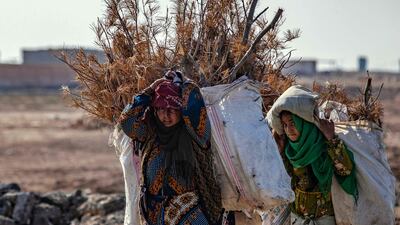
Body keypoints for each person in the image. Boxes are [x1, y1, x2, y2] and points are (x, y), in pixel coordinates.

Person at [118, 70, 223, 225]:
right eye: (160, 109)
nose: (165, 116)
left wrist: (184, 82)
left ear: (181, 111)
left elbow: (195, 103)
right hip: (155, 215)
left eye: (172, 110)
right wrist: (150, 90)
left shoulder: (196, 134)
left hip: (190, 215)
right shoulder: (149, 133)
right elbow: (126, 121)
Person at [272, 110, 358, 225]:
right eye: (285, 125)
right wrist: (280, 152)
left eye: (293, 123)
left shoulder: (323, 146)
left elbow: (345, 170)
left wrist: (331, 138)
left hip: (324, 220)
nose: (288, 129)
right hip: (297, 219)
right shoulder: (289, 151)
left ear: (304, 123)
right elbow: (284, 180)